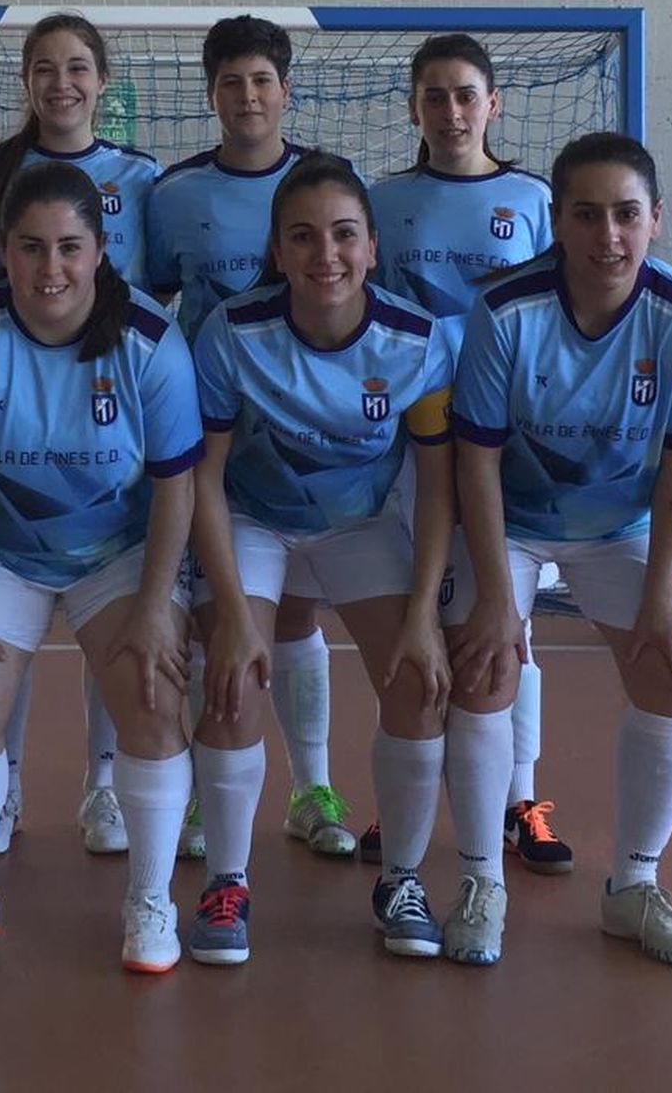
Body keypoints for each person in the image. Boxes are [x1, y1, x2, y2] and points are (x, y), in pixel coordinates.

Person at [0, 161, 203, 973]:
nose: (51, 269)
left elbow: (177, 485)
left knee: (153, 685)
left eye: (70, 247)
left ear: (101, 250)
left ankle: (150, 899)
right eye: (31, 247)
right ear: (2, 251)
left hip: (116, 549)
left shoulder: (149, 342)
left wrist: (153, 608)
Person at [448, 131, 672, 966]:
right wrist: (499, 595)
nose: (609, 235)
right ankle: (480, 880)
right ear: (557, 224)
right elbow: (477, 464)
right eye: (588, 214)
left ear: (656, 222)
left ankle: (633, 885)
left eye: (627, 215)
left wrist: (664, 594)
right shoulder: (502, 312)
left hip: (622, 527)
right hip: (512, 521)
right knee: (485, 667)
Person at [186, 152, 457, 965]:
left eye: (344, 235)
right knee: (231, 682)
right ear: (276, 251)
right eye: (302, 237)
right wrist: (232, 615)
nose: (325, 255)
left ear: (374, 246)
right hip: (252, 519)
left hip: (360, 525)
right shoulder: (230, 333)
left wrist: (421, 616)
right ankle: (226, 881)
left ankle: (402, 878)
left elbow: (438, 483)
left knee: (417, 682)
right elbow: (201, 475)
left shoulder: (417, 341)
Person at [0, 14, 165, 856]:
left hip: (114, 397)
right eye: (44, 68)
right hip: (15, 402)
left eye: (78, 67)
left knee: (107, 606)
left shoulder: (142, 177)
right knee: (9, 610)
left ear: (102, 81)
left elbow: (161, 290)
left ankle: (104, 786)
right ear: (26, 82)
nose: (62, 82)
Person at [147, 15, 354, 860]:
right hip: (212, 428)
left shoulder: (326, 184)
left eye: (262, 81)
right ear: (211, 96)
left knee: (298, 613)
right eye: (231, 83)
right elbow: (163, 299)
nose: (247, 97)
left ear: (287, 90)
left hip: (307, 434)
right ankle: (202, 797)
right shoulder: (175, 194)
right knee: (209, 617)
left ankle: (313, 786)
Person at [367, 32, 571, 875]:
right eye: (433, 96)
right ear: (413, 109)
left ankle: (521, 796)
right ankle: (408, 800)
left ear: (493, 105)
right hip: (412, 444)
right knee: (424, 619)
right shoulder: (382, 201)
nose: (451, 111)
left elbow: (557, 318)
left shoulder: (533, 198)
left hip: (503, 444)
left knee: (504, 622)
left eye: (465, 95)